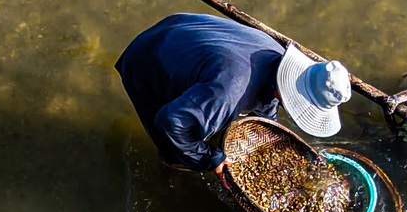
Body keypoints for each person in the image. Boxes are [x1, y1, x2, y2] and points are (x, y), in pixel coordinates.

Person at [115, 13, 353, 179]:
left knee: (206, 112)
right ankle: (170, 169)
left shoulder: (276, 54)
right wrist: (209, 159)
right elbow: (170, 123)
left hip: (179, 31)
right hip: (146, 60)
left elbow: (269, 97)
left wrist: (269, 133)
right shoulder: (230, 91)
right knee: (176, 147)